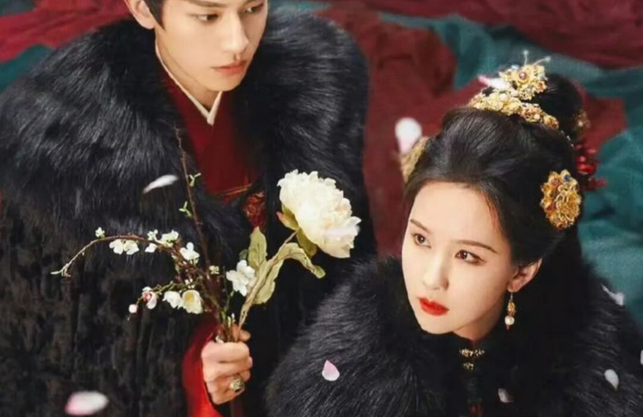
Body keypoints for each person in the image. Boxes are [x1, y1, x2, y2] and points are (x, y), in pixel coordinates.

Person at [0, 0, 376, 415]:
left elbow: (346, 290)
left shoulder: (309, 105)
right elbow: (39, 341)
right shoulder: (67, 145)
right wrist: (192, 373)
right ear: (143, 7)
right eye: (207, 16)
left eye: (253, 7)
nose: (237, 42)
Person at [266, 63, 643, 416]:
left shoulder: (584, 363)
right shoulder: (354, 350)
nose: (432, 278)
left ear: (522, 271)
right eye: (421, 239)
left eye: (467, 256)